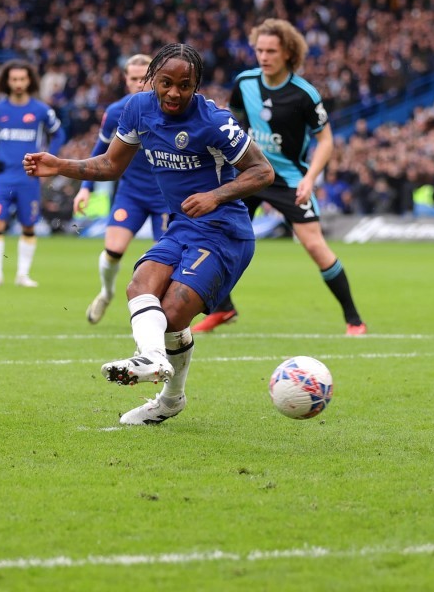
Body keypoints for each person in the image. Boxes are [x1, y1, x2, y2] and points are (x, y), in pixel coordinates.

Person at [24, 43, 273, 425]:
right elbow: (110, 164)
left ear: (196, 86)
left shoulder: (215, 121)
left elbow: (262, 172)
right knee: (138, 286)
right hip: (182, 227)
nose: (174, 93)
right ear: (152, 79)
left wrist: (215, 195)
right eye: (166, 83)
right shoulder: (138, 109)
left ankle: (167, 393)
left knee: (173, 314)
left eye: (185, 85)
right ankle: (158, 368)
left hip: (225, 234)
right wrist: (60, 166)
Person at [193, 19, 367, 336]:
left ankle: (354, 320)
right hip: (249, 175)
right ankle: (223, 308)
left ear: (288, 53)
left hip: (289, 180)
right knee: (215, 236)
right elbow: (231, 125)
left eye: (271, 50)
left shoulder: (304, 93)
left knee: (315, 246)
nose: (264, 56)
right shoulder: (244, 82)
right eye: (259, 50)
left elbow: (326, 140)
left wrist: (310, 178)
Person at [71, 54, 171, 325]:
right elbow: (99, 151)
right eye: (134, 78)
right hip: (132, 192)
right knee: (113, 250)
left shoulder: (171, 107)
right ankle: (106, 292)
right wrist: (85, 188)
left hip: (166, 196)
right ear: (126, 80)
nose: (139, 83)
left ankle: (157, 317)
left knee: (166, 260)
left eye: (145, 78)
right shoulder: (116, 111)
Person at [0, 60, 66, 288]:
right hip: (2, 178)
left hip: (28, 178)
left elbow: (59, 135)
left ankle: (23, 274)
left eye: (22, 79)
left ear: (30, 81)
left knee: (28, 226)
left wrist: (48, 159)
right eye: (14, 79)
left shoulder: (41, 110)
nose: (18, 83)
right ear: (7, 82)